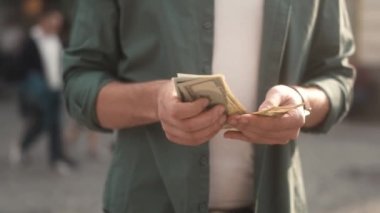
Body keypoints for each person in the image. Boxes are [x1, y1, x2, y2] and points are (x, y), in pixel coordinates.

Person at [63, 0, 355, 212]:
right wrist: (156, 101)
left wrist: (302, 103)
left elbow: (337, 78)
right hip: (145, 200)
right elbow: (79, 81)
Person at [15, 9, 75, 172]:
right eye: (54, 21)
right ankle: (28, 148)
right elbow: (20, 68)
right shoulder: (30, 41)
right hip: (39, 91)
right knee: (44, 123)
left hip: (55, 88)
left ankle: (55, 157)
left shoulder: (57, 40)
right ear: (44, 20)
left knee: (53, 124)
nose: (57, 25)